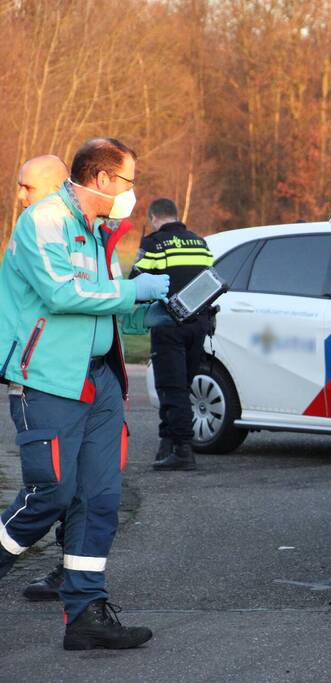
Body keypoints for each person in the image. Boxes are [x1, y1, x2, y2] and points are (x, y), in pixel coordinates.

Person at [0, 137, 173, 650]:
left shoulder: (98, 231)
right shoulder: (44, 221)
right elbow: (61, 293)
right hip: (50, 380)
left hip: (99, 380)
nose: (132, 191)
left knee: (99, 498)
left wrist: (149, 313)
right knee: (50, 493)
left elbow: (103, 304)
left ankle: (86, 612)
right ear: (101, 180)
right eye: (127, 180)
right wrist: (132, 292)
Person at [13, 155, 73, 603]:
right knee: (49, 492)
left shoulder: (74, 229)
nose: (19, 196)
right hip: (41, 380)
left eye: (26, 187)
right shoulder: (34, 231)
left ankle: (73, 576)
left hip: (76, 380)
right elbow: (62, 294)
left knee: (83, 490)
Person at [132, 198, 214, 470]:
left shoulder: (154, 243)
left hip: (169, 325)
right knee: (183, 386)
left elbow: (136, 281)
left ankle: (182, 450)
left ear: (154, 218)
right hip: (199, 324)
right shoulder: (200, 243)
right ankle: (166, 444)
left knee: (171, 388)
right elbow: (208, 280)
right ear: (176, 216)